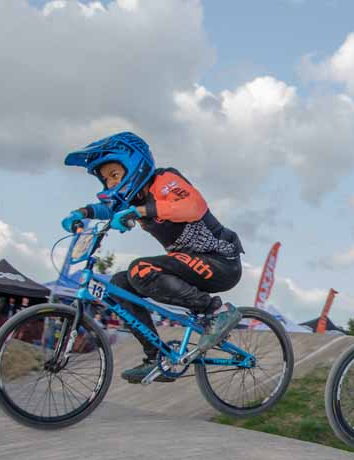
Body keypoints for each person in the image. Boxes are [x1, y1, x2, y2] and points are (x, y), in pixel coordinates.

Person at [63, 132, 245, 383]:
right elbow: (107, 209)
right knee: (119, 284)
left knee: (141, 269)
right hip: (188, 264)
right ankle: (156, 356)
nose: (111, 183)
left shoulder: (164, 180)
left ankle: (216, 312)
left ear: (134, 166)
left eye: (115, 175)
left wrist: (139, 211)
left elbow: (193, 206)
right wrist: (81, 213)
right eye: (106, 180)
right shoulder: (134, 199)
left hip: (220, 261)